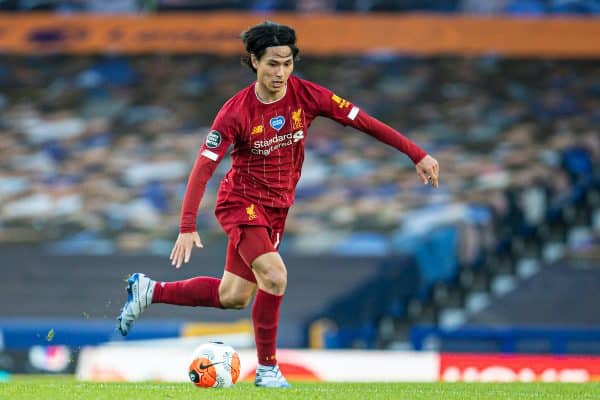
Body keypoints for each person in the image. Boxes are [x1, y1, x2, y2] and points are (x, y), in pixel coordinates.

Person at [117, 21, 439, 388]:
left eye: (287, 63)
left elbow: (364, 122)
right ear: (254, 61)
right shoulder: (235, 112)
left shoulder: (308, 95)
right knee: (275, 275)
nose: (281, 72)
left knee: (234, 296)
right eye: (272, 63)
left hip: (277, 210)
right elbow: (203, 167)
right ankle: (268, 370)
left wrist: (417, 154)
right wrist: (187, 225)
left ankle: (149, 291)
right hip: (241, 203)